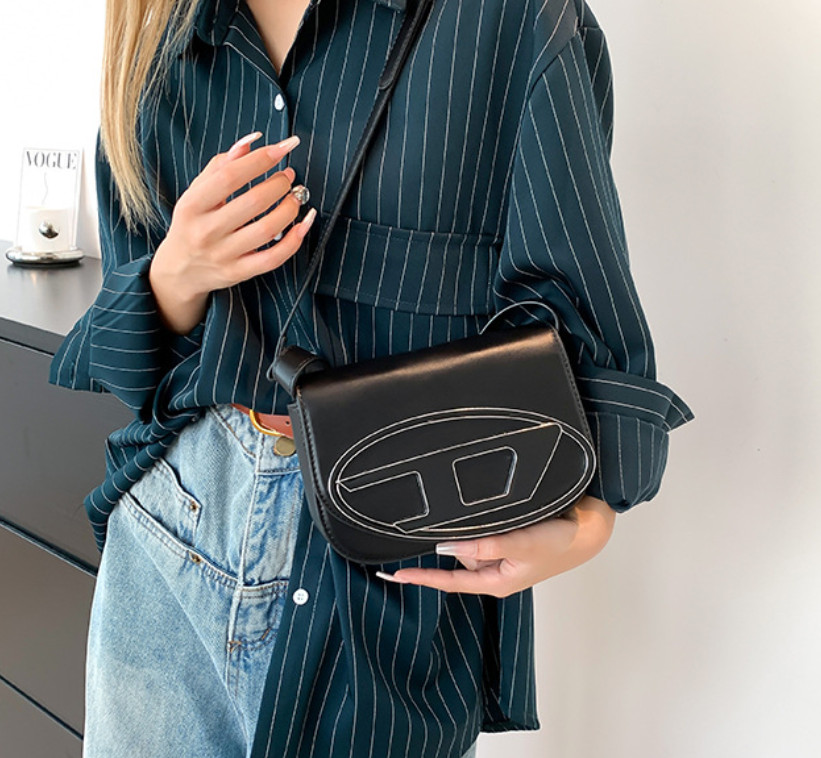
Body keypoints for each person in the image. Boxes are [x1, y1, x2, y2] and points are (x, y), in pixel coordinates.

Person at [50, 0, 694, 756]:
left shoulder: (512, 18)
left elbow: (574, 305)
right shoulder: (156, 33)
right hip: (173, 529)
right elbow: (132, 351)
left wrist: (589, 514)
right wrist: (175, 274)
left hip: (395, 547)